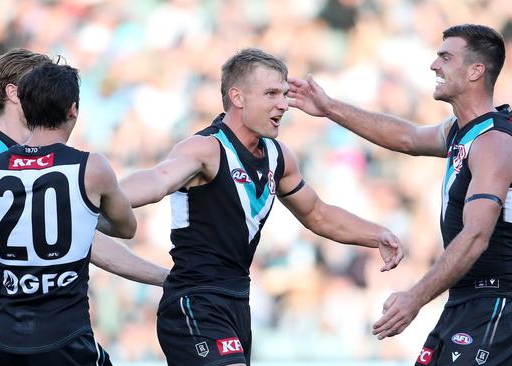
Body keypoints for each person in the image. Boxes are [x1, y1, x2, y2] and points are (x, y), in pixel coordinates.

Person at [117, 48, 405, 366]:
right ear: (237, 97)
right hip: (195, 301)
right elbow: (157, 180)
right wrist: (96, 195)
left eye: (283, 94)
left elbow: (318, 214)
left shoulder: (278, 157)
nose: (282, 104)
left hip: (238, 304)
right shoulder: (206, 148)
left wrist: (376, 234)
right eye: (271, 94)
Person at [288, 24, 512, 365]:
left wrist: (415, 298)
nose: (435, 65)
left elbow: (477, 235)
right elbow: (406, 138)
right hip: (467, 300)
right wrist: (329, 108)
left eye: (446, 57)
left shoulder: (494, 143)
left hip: (497, 301)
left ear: (476, 70)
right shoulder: (461, 132)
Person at [0, 48, 169, 366]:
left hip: (22, 325)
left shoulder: (45, 160)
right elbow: (120, 227)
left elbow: (88, 240)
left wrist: (165, 277)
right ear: (13, 92)